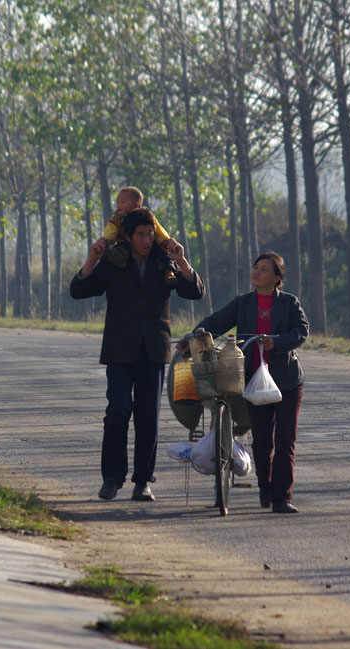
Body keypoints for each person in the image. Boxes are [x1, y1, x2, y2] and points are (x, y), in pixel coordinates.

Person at [71, 207, 205, 501]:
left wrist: (181, 259)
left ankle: (142, 481)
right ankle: (112, 478)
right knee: (117, 411)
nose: (146, 240)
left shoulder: (164, 262)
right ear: (128, 237)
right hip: (120, 351)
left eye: (149, 234)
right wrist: (92, 258)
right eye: (140, 235)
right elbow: (79, 291)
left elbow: (195, 292)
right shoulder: (113, 262)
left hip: (153, 351)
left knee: (148, 419)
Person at [194, 252, 308, 513]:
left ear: (277, 277)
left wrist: (276, 341)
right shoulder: (243, 303)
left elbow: (302, 331)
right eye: (255, 268)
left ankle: (282, 497)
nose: (257, 272)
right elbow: (217, 322)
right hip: (253, 381)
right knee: (262, 441)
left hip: (286, 382)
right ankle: (265, 487)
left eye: (264, 270)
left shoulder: (289, 303)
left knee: (285, 440)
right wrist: (197, 335)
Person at [98, 186, 179, 286]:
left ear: (136, 206)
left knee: (164, 256)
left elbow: (158, 230)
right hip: (126, 245)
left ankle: (169, 273)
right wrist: (106, 240)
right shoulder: (117, 219)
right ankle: (118, 259)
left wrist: (166, 241)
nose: (119, 205)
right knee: (119, 250)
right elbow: (111, 230)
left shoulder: (147, 218)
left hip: (152, 248)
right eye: (117, 202)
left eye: (122, 203)